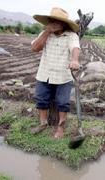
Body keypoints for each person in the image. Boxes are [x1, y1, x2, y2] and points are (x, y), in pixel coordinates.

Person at [30, 7, 80, 138]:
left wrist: (74, 60)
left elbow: (75, 47)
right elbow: (35, 48)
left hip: (63, 75)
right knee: (41, 99)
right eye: (51, 20)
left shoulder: (71, 36)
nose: (53, 23)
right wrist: (47, 32)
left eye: (57, 21)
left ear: (63, 24)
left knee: (63, 103)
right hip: (44, 73)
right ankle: (43, 123)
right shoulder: (45, 34)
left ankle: (60, 127)